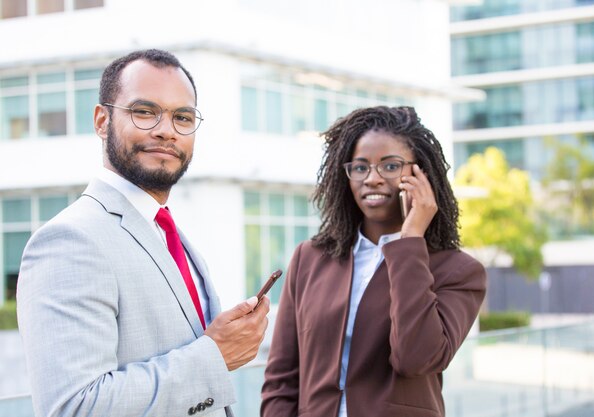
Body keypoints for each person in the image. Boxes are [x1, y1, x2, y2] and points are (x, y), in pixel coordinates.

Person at [17, 49, 270, 417]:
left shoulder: (169, 232)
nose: (166, 129)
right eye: (145, 112)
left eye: (182, 117)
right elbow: (73, 407)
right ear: (102, 121)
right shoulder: (69, 241)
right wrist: (213, 356)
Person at [261, 106, 487, 417]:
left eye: (390, 166)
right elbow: (281, 376)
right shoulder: (309, 259)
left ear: (421, 174)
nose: (373, 179)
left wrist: (410, 243)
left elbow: (416, 358)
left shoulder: (458, 271)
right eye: (360, 167)